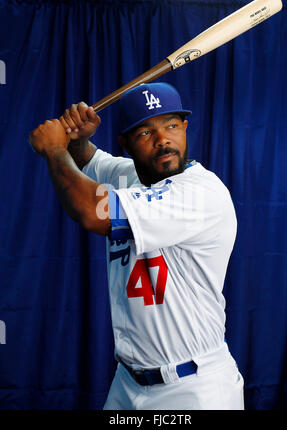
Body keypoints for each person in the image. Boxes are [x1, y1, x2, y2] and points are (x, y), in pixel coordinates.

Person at [29, 82, 244, 410]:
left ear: (185, 128)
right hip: (128, 384)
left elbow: (91, 210)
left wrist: (55, 149)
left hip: (194, 388)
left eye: (171, 125)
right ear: (126, 144)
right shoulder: (131, 175)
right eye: (145, 132)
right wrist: (78, 139)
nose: (163, 141)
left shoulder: (201, 192)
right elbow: (89, 162)